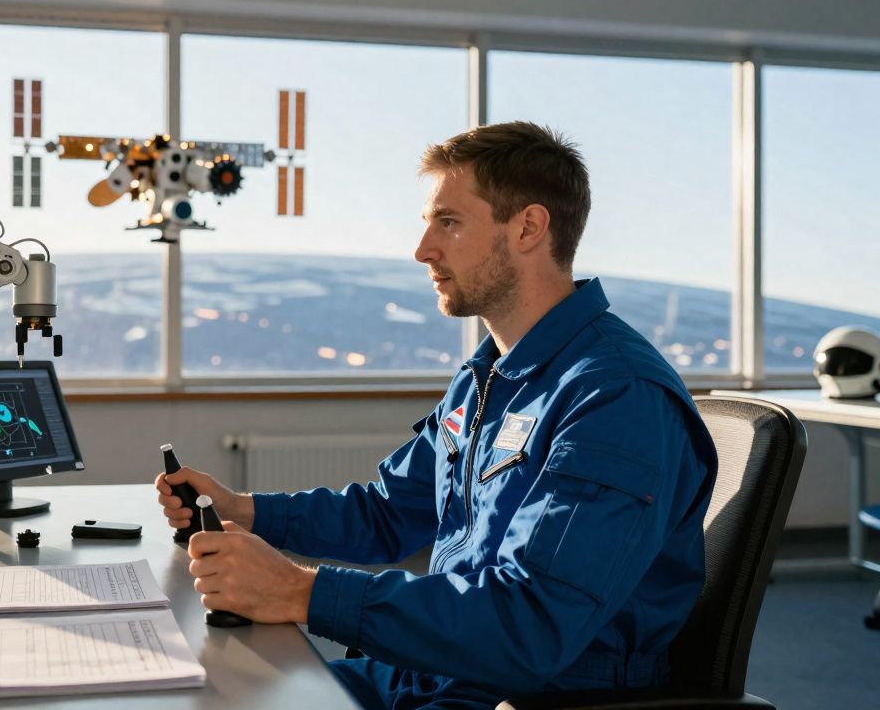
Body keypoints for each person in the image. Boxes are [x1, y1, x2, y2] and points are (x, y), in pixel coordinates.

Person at [156, 121, 717, 709]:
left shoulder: (614, 397)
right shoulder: (488, 376)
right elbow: (386, 514)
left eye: (448, 222)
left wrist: (301, 592)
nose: (422, 249)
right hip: (433, 671)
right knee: (207, 692)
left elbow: (531, 625)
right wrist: (241, 509)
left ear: (528, 227)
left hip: (523, 695)